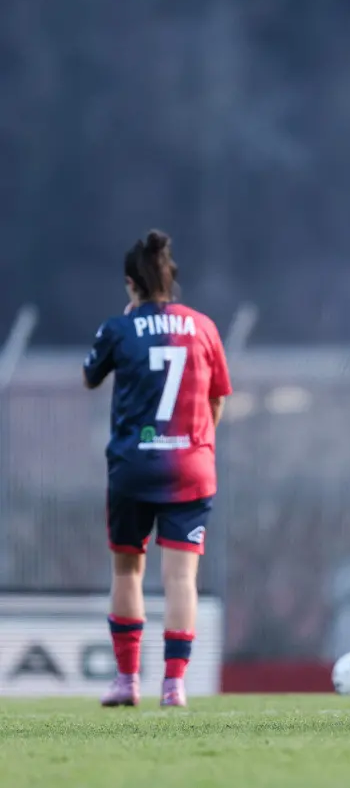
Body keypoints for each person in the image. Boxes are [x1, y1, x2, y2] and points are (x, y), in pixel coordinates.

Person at [84, 231, 232, 709]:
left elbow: (90, 376)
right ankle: (174, 686)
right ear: (173, 279)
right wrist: (196, 443)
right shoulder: (203, 327)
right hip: (191, 466)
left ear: (131, 283)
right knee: (181, 578)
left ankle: (127, 681)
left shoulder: (119, 328)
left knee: (128, 570)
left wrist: (126, 321)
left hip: (133, 465)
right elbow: (217, 398)